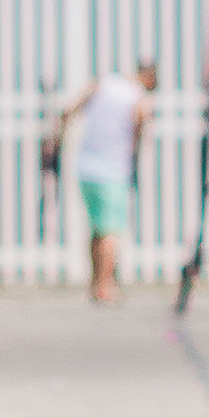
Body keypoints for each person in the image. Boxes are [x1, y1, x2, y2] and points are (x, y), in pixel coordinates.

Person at [59, 62, 157, 303]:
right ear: (149, 79)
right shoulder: (138, 97)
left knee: (96, 229)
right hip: (113, 169)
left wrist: (58, 138)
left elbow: (68, 111)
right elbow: (140, 126)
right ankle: (105, 286)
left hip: (86, 167)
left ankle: (95, 284)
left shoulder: (104, 84)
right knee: (111, 231)